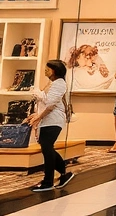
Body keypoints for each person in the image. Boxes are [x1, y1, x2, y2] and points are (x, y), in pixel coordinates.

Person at [26, 60, 74, 191]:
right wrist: (36, 115)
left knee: (47, 148)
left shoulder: (59, 84)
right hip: (47, 120)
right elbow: (44, 104)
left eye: (48, 69)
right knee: (47, 148)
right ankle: (63, 173)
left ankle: (48, 181)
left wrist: (38, 115)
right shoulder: (53, 83)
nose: (45, 71)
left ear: (54, 71)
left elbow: (50, 103)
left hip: (53, 120)